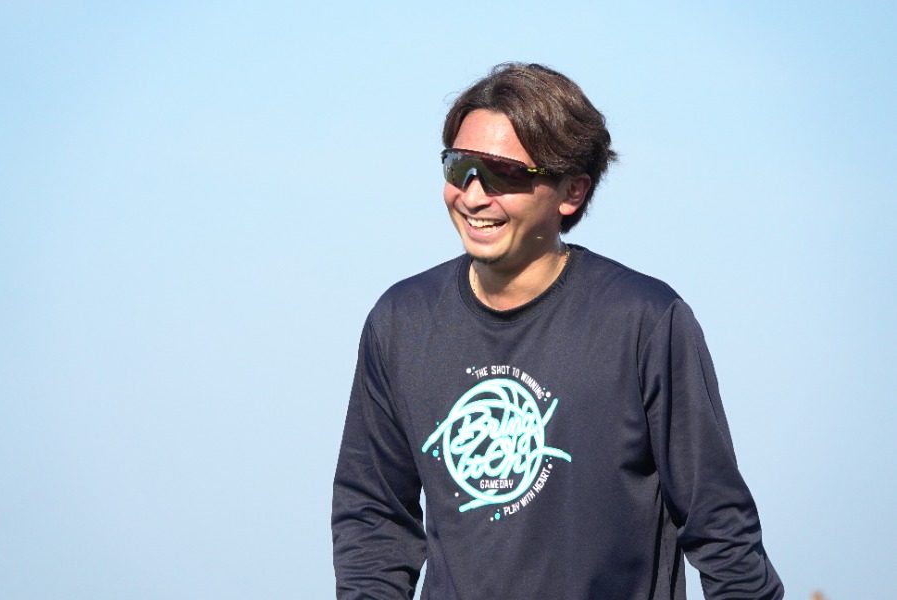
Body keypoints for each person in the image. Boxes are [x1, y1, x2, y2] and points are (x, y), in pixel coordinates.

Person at [332, 63, 784, 599]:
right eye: (459, 167)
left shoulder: (644, 321)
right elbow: (373, 520)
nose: (473, 196)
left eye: (502, 174)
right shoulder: (401, 322)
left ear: (571, 191)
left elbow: (721, 528)